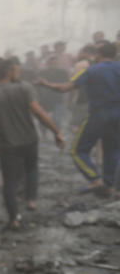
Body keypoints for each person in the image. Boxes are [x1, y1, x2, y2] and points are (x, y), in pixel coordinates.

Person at [0, 59, 65, 228]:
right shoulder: (24, 88)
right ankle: (31, 200)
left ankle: (13, 218)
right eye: (15, 71)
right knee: (32, 168)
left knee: (9, 181)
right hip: (29, 139)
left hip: (7, 143)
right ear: (10, 73)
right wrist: (56, 132)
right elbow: (39, 113)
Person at [38, 40, 120, 197]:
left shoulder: (91, 70)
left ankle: (95, 179)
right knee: (113, 150)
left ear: (99, 55)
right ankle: (109, 186)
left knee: (77, 150)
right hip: (118, 114)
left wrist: (46, 84)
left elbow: (65, 88)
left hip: (98, 115)